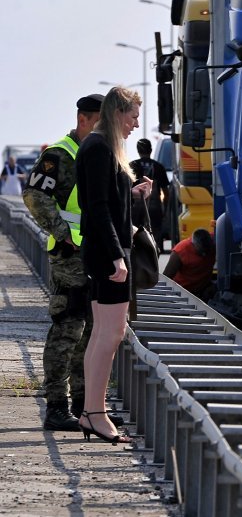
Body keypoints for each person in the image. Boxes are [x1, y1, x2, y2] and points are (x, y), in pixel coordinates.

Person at [22, 94, 106, 431]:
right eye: (101, 122)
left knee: (90, 333)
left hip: (94, 255)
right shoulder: (60, 154)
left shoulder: (96, 152)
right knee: (68, 330)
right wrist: (61, 230)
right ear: (84, 119)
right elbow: (34, 195)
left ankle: (83, 405)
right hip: (69, 256)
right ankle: (57, 406)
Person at [75, 86, 151, 445]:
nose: (137, 123)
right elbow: (97, 207)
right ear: (117, 112)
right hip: (108, 254)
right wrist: (117, 257)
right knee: (111, 334)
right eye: (133, 115)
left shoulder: (101, 147)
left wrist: (133, 193)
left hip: (106, 250)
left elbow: (107, 199)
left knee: (103, 334)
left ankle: (92, 411)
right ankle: (96, 413)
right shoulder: (99, 147)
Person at [130, 138, 169, 253]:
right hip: (154, 207)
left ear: (138, 150)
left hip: (135, 208)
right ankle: (154, 263)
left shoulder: (131, 166)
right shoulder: (159, 167)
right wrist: (165, 209)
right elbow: (166, 192)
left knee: (135, 236)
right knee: (155, 236)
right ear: (151, 150)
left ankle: (139, 263)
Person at [163, 228, 216, 301]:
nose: (204, 255)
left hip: (203, 290)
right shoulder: (180, 251)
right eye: (201, 252)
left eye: (207, 252)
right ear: (193, 245)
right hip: (183, 292)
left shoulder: (214, 242)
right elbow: (166, 277)